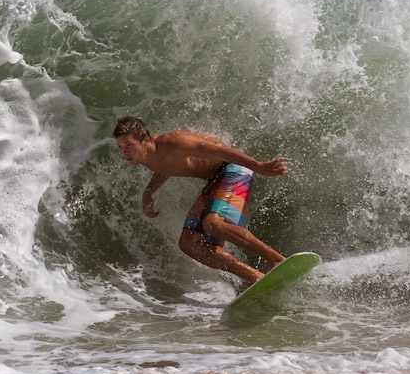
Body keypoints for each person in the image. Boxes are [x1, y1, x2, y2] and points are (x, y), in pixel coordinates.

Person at [113, 116, 288, 286]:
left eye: (128, 144)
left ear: (145, 140)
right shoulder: (146, 156)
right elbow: (164, 167)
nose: (124, 152)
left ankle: (276, 260)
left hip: (233, 168)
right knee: (189, 243)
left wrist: (258, 166)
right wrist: (148, 192)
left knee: (213, 223)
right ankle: (255, 276)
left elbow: (220, 151)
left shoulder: (175, 143)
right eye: (120, 147)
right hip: (215, 180)